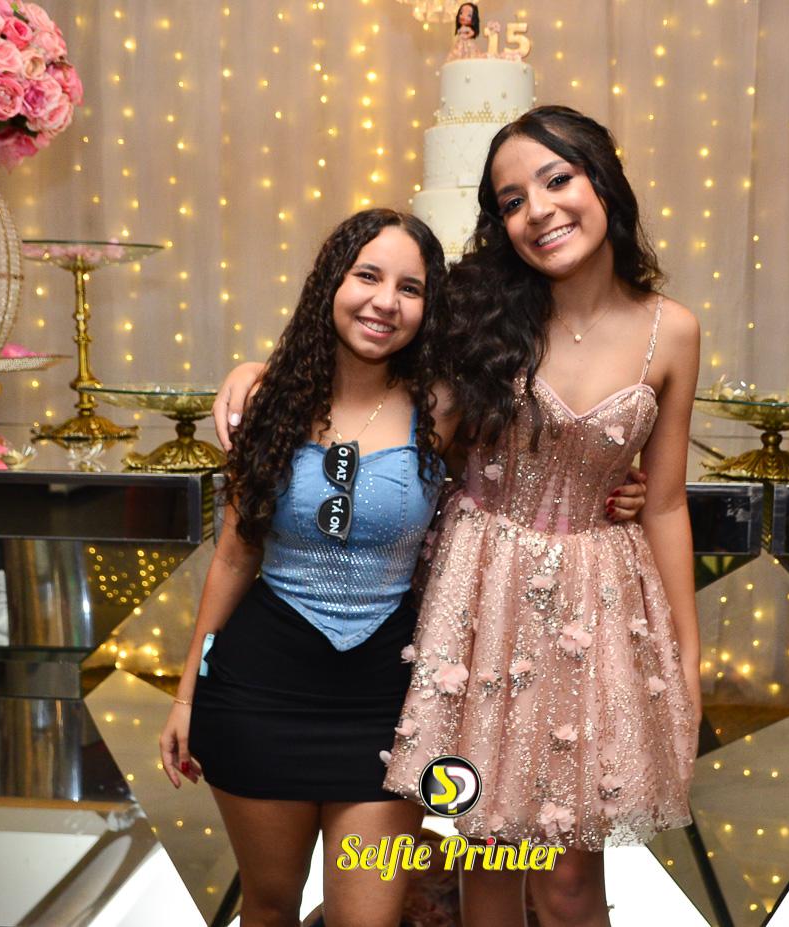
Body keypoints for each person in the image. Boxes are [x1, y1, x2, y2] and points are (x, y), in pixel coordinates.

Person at [216, 106, 702, 926]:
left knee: (568, 882)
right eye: (512, 201)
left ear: (603, 180)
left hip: (593, 601)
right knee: (485, 857)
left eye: (557, 179)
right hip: (479, 597)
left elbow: (666, 499)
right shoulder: (479, 308)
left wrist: (686, 651)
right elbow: (365, 352)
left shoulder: (674, 331)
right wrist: (257, 368)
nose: (538, 210)